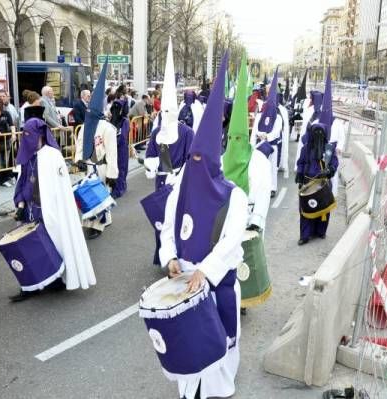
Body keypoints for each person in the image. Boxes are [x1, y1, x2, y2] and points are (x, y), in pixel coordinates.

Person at [158, 52, 247, 399]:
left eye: (200, 160)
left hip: (215, 281)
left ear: (213, 162)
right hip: (184, 282)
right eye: (191, 159)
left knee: (219, 347)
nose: (194, 165)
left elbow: (229, 242)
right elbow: (168, 226)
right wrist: (170, 257)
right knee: (188, 348)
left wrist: (205, 272)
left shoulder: (234, 196)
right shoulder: (182, 186)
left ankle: (218, 392)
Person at [10, 116, 96, 301]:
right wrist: (20, 204)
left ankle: (56, 278)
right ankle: (32, 285)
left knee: (53, 244)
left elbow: (59, 190)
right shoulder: (28, 156)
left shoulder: (52, 155)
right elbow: (23, 182)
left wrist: (52, 210)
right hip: (32, 209)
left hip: (51, 211)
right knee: (31, 248)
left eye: (30, 134)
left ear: (40, 134)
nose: (27, 138)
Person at [144, 38, 194, 265]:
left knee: (179, 221)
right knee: (161, 221)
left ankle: (180, 257)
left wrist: (179, 176)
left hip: (181, 183)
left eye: (169, 110)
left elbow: (193, 159)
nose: (165, 114)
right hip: (163, 182)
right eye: (163, 111)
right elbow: (151, 156)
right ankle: (162, 256)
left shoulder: (186, 133)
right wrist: (151, 165)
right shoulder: (157, 134)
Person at [223, 54, 271, 234]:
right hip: (225, 225)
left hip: (250, 223)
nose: (234, 144)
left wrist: (256, 221)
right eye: (230, 139)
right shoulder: (220, 160)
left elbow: (264, 192)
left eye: (238, 139)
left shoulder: (259, 161)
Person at [74, 59, 118, 240]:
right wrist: (79, 159)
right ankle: (93, 221)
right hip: (89, 165)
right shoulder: (86, 126)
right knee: (90, 196)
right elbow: (80, 142)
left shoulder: (107, 128)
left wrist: (112, 174)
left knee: (100, 196)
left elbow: (112, 152)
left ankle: (98, 225)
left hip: (101, 166)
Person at [295, 68, 338, 245]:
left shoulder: (329, 148)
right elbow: (301, 161)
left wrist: (330, 170)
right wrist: (299, 175)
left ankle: (320, 232)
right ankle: (305, 235)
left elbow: (334, 161)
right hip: (307, 182)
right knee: (306, 209)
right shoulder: (307, 147)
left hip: (322, 183)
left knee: (322, 210)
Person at [251, 69, 284, 197]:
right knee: (259, 168)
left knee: (271, 168)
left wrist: (267, 136)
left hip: (272, 146)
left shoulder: (278, 117)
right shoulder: (260, 116)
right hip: (259, 146)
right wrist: (253, 142)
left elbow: (277, 132)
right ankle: (260, 187)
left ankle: (272, 188)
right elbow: (255, 130)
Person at [109, 84, 130, 199]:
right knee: (121, 166)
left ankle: (119, 188)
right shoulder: (121, 120)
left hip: (120, 146)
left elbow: (120, 137)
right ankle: (121, 186)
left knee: (120, 166)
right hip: (120, 146)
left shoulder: (122, 121)